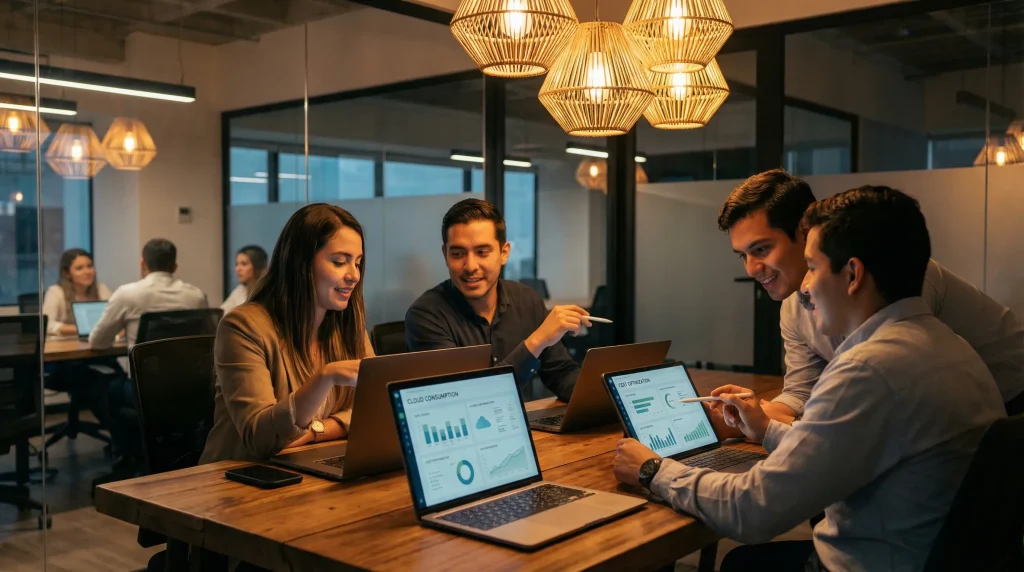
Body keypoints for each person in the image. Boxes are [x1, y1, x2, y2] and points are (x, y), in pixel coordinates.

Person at [613, 186, 1006, 571]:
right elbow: (843, 439)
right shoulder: (955, 347)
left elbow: (752, 512)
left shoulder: (867, 370)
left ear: (853, 274)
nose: (806, 289)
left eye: (813, 268)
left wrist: (653, 470)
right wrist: (766, 428)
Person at [717, 169, 1024, 425]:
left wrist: (779, 429)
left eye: (761, 249)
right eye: (741, 256)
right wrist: (753, 414)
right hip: (941, 421)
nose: (752, 269)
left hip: (1012, 399)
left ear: (805, 230)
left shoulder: (889, 275)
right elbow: (801, 394)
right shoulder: (792, 307)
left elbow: (881, 391)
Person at [200, 204, 374, 463]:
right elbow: (261, 439)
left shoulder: (346, 325)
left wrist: (319, 430)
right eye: (340, 262)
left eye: (357, 263)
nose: (354, 276)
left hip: (308, 467)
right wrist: (325, 378)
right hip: (241, 480)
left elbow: (376, 409)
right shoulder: (242, 326)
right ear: (300, 263)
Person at [405, 198, 585, 402]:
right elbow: (468, 400)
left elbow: (561, 373)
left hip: (529, 429)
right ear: (445, 254)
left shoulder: (527, 300)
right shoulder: (425, 315)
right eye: (458, 253)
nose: (471, 265)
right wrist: (537, 341)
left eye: (482, 252)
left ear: (504, 253)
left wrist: (602, 399)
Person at [42, 248, 113, 337]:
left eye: (90, 266)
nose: (87, 272)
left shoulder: (102, 289)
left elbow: (114, 318)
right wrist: (83, 329)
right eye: (79, 268)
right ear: (67, 274)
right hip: (66, 344)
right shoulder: (56, 292)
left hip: (97, 341)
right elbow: (47, 325)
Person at [221, 245, 268, 314]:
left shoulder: (269, 292)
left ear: (258, 266)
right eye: (237, 264)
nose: (238, 269)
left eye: (244, 264)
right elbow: (221, 314)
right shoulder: (240, 291)